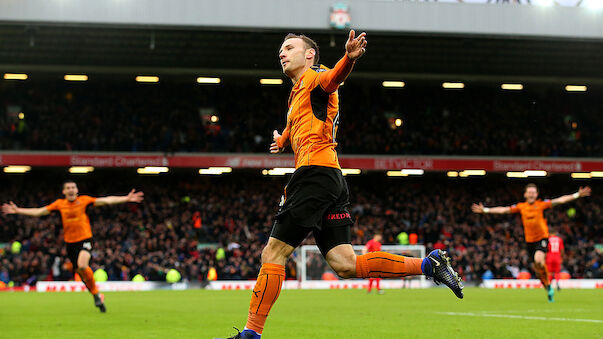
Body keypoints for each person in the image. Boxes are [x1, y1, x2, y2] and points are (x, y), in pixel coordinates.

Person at [218, 30, 463, 339]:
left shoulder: (316, 76)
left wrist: (348, 58)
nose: (282, 53)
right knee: (345, 263)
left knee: (273, 253)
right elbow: (297, 127)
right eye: (281, 49)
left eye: (289, 48)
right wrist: (282, 140)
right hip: (330, 178)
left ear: (309, 55)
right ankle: (429, 265)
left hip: (313, 176)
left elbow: (334, 78)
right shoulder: (296, 94)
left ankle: (251, 334)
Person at [1, 181, 144, 312]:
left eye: (73, 187)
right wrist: (18, 210)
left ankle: (95, 294)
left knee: (82, 265)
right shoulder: (59, 204)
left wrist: (126, 198)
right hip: (70, 244)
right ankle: (96, 295)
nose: (71, 190)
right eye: (68, 188)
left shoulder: (84, 201)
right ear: (64, 192)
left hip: (85, 239)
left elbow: (105, 200)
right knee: (82, 274)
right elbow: (39, 211)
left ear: (77, 190)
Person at [472, 184, 590, 302]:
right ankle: (548, 286)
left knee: (539, 260)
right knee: (538, 271)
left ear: (537, 194)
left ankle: (548, 281)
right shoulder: (521, 207)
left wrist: (577, 195)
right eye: (529, 192)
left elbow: (559, 200)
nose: (531, 194)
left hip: (542, 239)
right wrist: (486, 210)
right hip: (529, 242)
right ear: (525, 194)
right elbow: (504, 210)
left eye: (533, 192)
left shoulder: (541, 204)